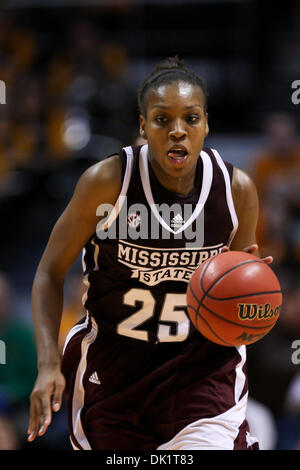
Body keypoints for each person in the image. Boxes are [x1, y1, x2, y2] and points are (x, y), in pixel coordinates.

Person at [27, 56, 272, 450]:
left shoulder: (236, 189)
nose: (178, 131)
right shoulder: (106, 183)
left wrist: (250, 288)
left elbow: (239, 294)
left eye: (191, 119)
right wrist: (48, 365)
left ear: (206, 123)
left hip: (200, 372)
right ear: (143, 126)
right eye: (162, 120)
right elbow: (49, 274)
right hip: (113, 372)